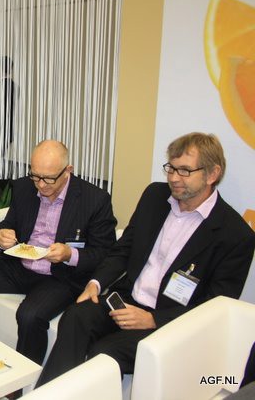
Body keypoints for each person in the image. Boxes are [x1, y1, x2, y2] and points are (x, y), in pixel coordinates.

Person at [38, 132, 255, 386]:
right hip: (125, 300)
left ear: (212, 174)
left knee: (105, 352)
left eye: (185, 171)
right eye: (171, 168)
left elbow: (215, 307)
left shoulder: (235, 235)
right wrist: (96, 283)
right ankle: (48, 393)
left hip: (170, 321)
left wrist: (153, 320)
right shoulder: (155, 196)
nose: (174, 178)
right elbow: (124, 249)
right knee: (76, 316)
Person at [0, 139, 117, 365]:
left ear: (68, 171)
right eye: (35, 176)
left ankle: (24, 376)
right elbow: (8, 223)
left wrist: (69, 255)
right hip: (19, 265)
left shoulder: (94, 199)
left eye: (49, 178)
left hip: (60, 277)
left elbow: (105, 253)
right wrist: (3, 235)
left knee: (29, 316)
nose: (41, 185)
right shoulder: (24, 187)